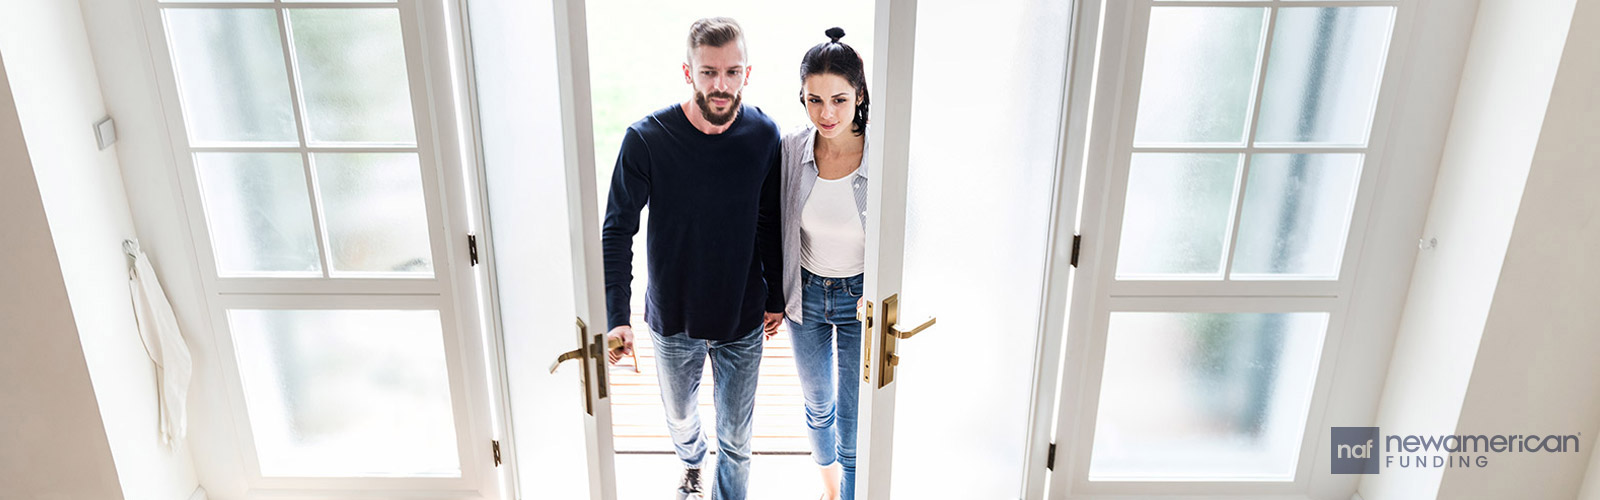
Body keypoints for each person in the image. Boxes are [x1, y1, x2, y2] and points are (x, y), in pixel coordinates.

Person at [600, 17, 784, 500]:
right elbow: (617, 229)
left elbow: (770, 221)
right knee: (680, 416)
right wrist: (616, 315)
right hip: (673, 316)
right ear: (688, 73)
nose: (721, 86)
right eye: (708, 73)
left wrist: (777, 297)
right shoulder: (646, 139)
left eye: (732, 72)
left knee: (738, 440)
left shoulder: (765, 135)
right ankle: (691, 461)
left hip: (742, 316)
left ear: (748, 73)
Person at [779, 27, 870, 500]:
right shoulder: (793, 149)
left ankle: (851, 495)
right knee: (818, 406)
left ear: (859, 94)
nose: (826, 113)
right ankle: (830, 489)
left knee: (853, 418)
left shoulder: (882, 152)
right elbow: (772, 226)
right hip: (808, 295)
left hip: (862, 301)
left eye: (838, 99)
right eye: (814, 100)